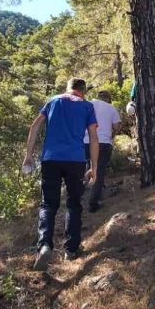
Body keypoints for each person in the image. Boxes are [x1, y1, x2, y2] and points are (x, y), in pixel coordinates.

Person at [22, 78, 99, 271]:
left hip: (50, 159)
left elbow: (35, 126)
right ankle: (71, 250)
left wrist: (28, 156)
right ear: (83, 91)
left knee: (48, 204)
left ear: (68, 88)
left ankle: (45, 245)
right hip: (76, 160)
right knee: (73, 203)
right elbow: (93, 137)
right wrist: (94, 166)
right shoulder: (87, 106)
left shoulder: (53, 100)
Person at [84, 90, 122, 213]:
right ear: (108, 99)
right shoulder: (111, 108)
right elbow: (117, 127)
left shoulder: (87, 104)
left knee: (86, 167)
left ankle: (79, 196)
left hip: (85, 142)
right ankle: (93, 203)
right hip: (103, 143)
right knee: (98, 171)